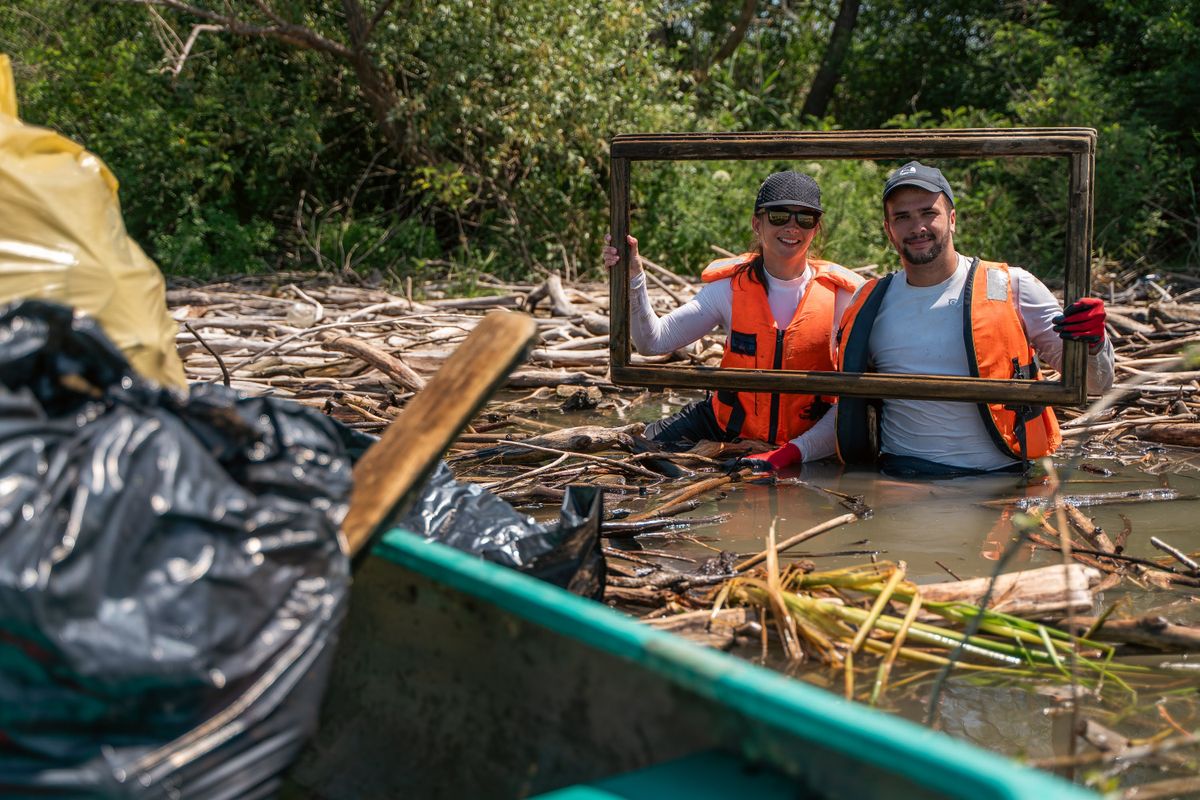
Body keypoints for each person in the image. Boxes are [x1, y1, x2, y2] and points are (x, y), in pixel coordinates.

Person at [835, 161, 1115, 476]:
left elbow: (1097, 385)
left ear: (952, 219)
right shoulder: (869, 301)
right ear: (889, 230)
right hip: (902, 476)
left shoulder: (1014, 286)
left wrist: (1094, 342)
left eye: (928, 213)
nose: (917, 228)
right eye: (902, 217)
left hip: (1007, 477)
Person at [602, 170, 863, 471]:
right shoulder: (728, 289)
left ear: (815, 229)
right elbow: (652, 342)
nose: (792, 226)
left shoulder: (843, 298)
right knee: (631, 455)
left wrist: (791, 453)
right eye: (779, 215)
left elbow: (852, 402)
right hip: (722, 427)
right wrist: (634, 277)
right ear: (757, 223)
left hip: (808, 441)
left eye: (805, 218)